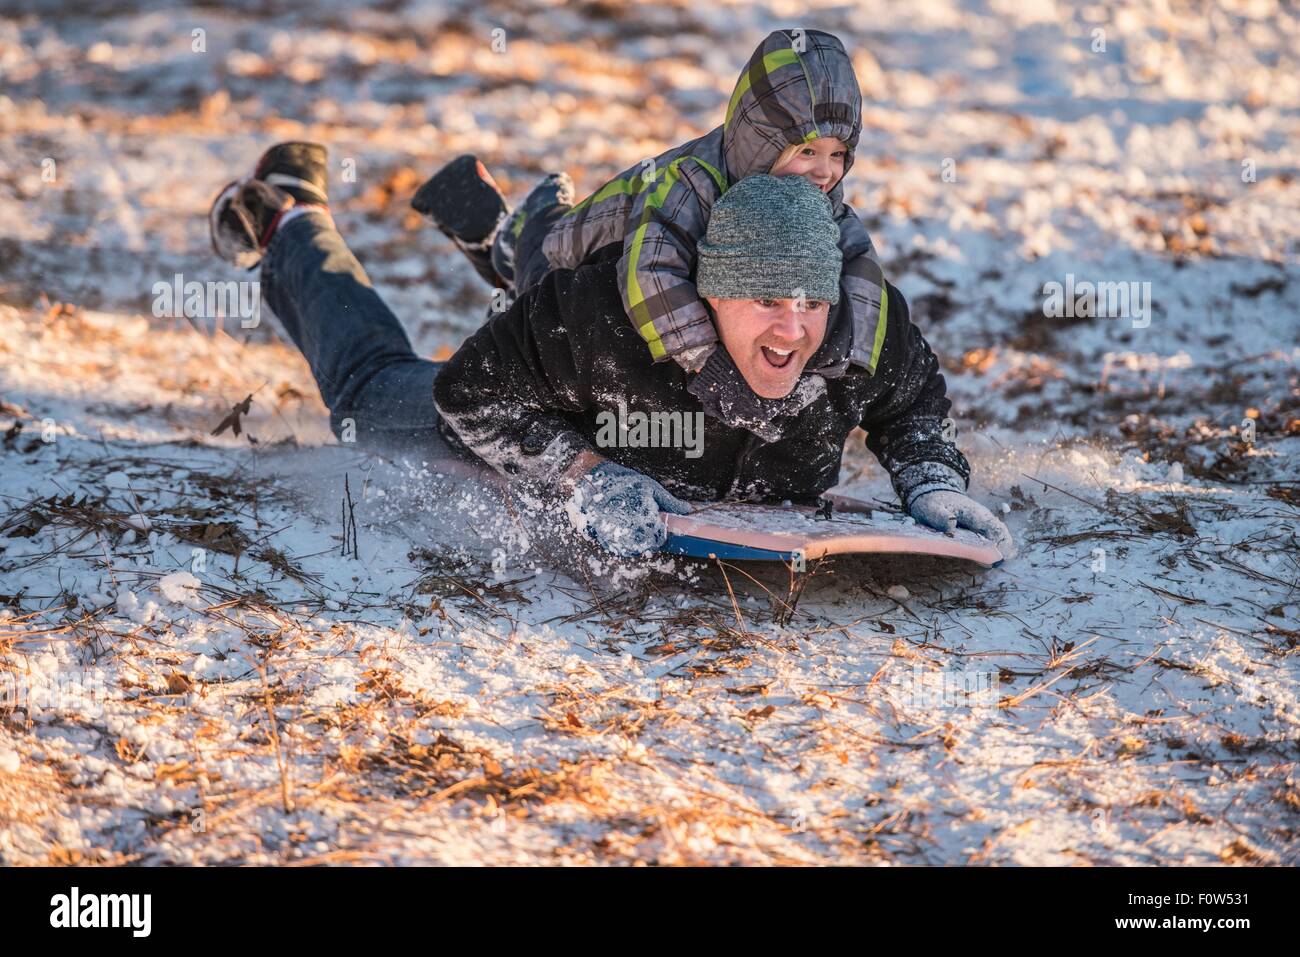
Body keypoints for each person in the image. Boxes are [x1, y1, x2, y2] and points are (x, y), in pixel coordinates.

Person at [209, 143, 1014, 559]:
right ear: (712, 293)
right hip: (536, 407)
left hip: (551, 334)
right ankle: (291, 222)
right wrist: (584, 474)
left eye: (809, 302)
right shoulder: (614, 323)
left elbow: (913, 404)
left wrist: (932, 477)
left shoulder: (856, 329)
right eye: (766, 300)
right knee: (368, 391)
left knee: (533, 306)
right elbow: (470, 395)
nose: (791, 328)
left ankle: (514, 240)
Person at [412, 29, 887, 434]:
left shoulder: (821, 204)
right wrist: (707, 364)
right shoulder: (690, 185)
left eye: (838, 155)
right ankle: (526, 224)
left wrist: (840, 362)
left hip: (610, 260)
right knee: (530, 294)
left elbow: (861, 267)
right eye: (807, 152)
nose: (823, 172)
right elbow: (652, 274)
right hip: (578, 256)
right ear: (760, 138)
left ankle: (494, 235)